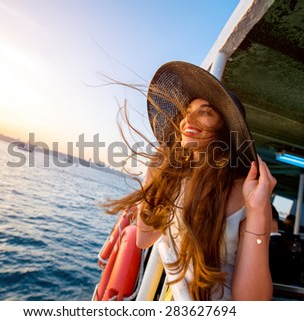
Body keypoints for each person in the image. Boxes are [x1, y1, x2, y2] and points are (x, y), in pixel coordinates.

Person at [106, 61, 276, 300]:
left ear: (225, 128)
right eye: (186, 112)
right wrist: (153, 175)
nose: (188, 120)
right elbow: (144, 239)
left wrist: (258, 212)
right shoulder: (175, 179)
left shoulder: (246, 194)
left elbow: (252, 302)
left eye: (205, 111)